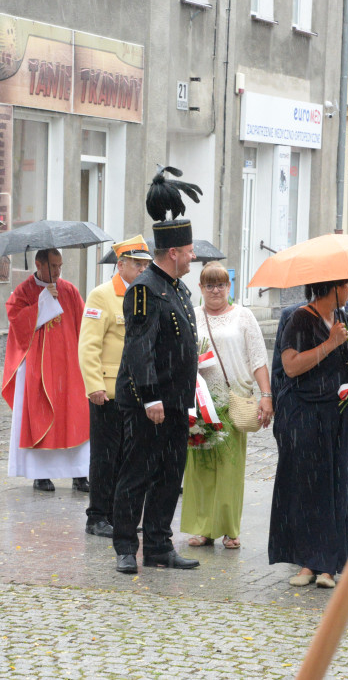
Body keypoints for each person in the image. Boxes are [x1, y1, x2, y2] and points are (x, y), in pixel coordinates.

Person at [112, 166, 202, 574]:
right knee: (137, 473)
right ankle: (126, 547)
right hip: (150, 402)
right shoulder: (146, 289)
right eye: (189, 251)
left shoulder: (178, 287)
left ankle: (160, 545)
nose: (193, 256)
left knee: (170, 474)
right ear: (173, 253)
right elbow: (138, 350)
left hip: (176, 401)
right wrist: (150, 396)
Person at [268, 279, 348, 589]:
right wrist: (330, 344)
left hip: (340, 416)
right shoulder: (301, 318)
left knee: (340, 489)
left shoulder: (344, 318)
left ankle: (329, 565)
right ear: (334, 287)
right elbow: (290, 367)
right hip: (306, 415)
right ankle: (307, 563)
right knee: (309, 489)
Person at [182, 262, 271, 549]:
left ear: (229, 287)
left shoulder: (243, 317)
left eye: (220, 284)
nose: (215, 290)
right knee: (200, 466)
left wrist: (266, 394)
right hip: (200, 400)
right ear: (201, 288)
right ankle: (202, 528)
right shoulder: (192, 316)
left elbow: (258, 358)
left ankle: (229, 529)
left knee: (230, 467)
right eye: (209, 285)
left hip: (232, 400)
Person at [77, 235, 152, 538]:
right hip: (107, 392)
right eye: (137, 264)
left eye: (146, 264)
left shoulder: (145, 294)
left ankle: (121, 514)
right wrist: (94, 385)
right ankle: (97, 516)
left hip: (137, 391)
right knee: (105, 456)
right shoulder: (102, 295)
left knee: (131, 457)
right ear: (120, 265)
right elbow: (88, 345)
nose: (142, 269)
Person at [3, 247, 90, 492]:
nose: (58, 271)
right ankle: (41, 475)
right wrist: (42, 302)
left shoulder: (69, 290)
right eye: (53, 266)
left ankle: (80, 473)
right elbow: (17, 325)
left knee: (76, 417)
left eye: (60, 266)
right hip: (36, 367)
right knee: (41, 416)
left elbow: (83, 323)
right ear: (39, 264)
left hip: (69, 364)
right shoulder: (23, 291)